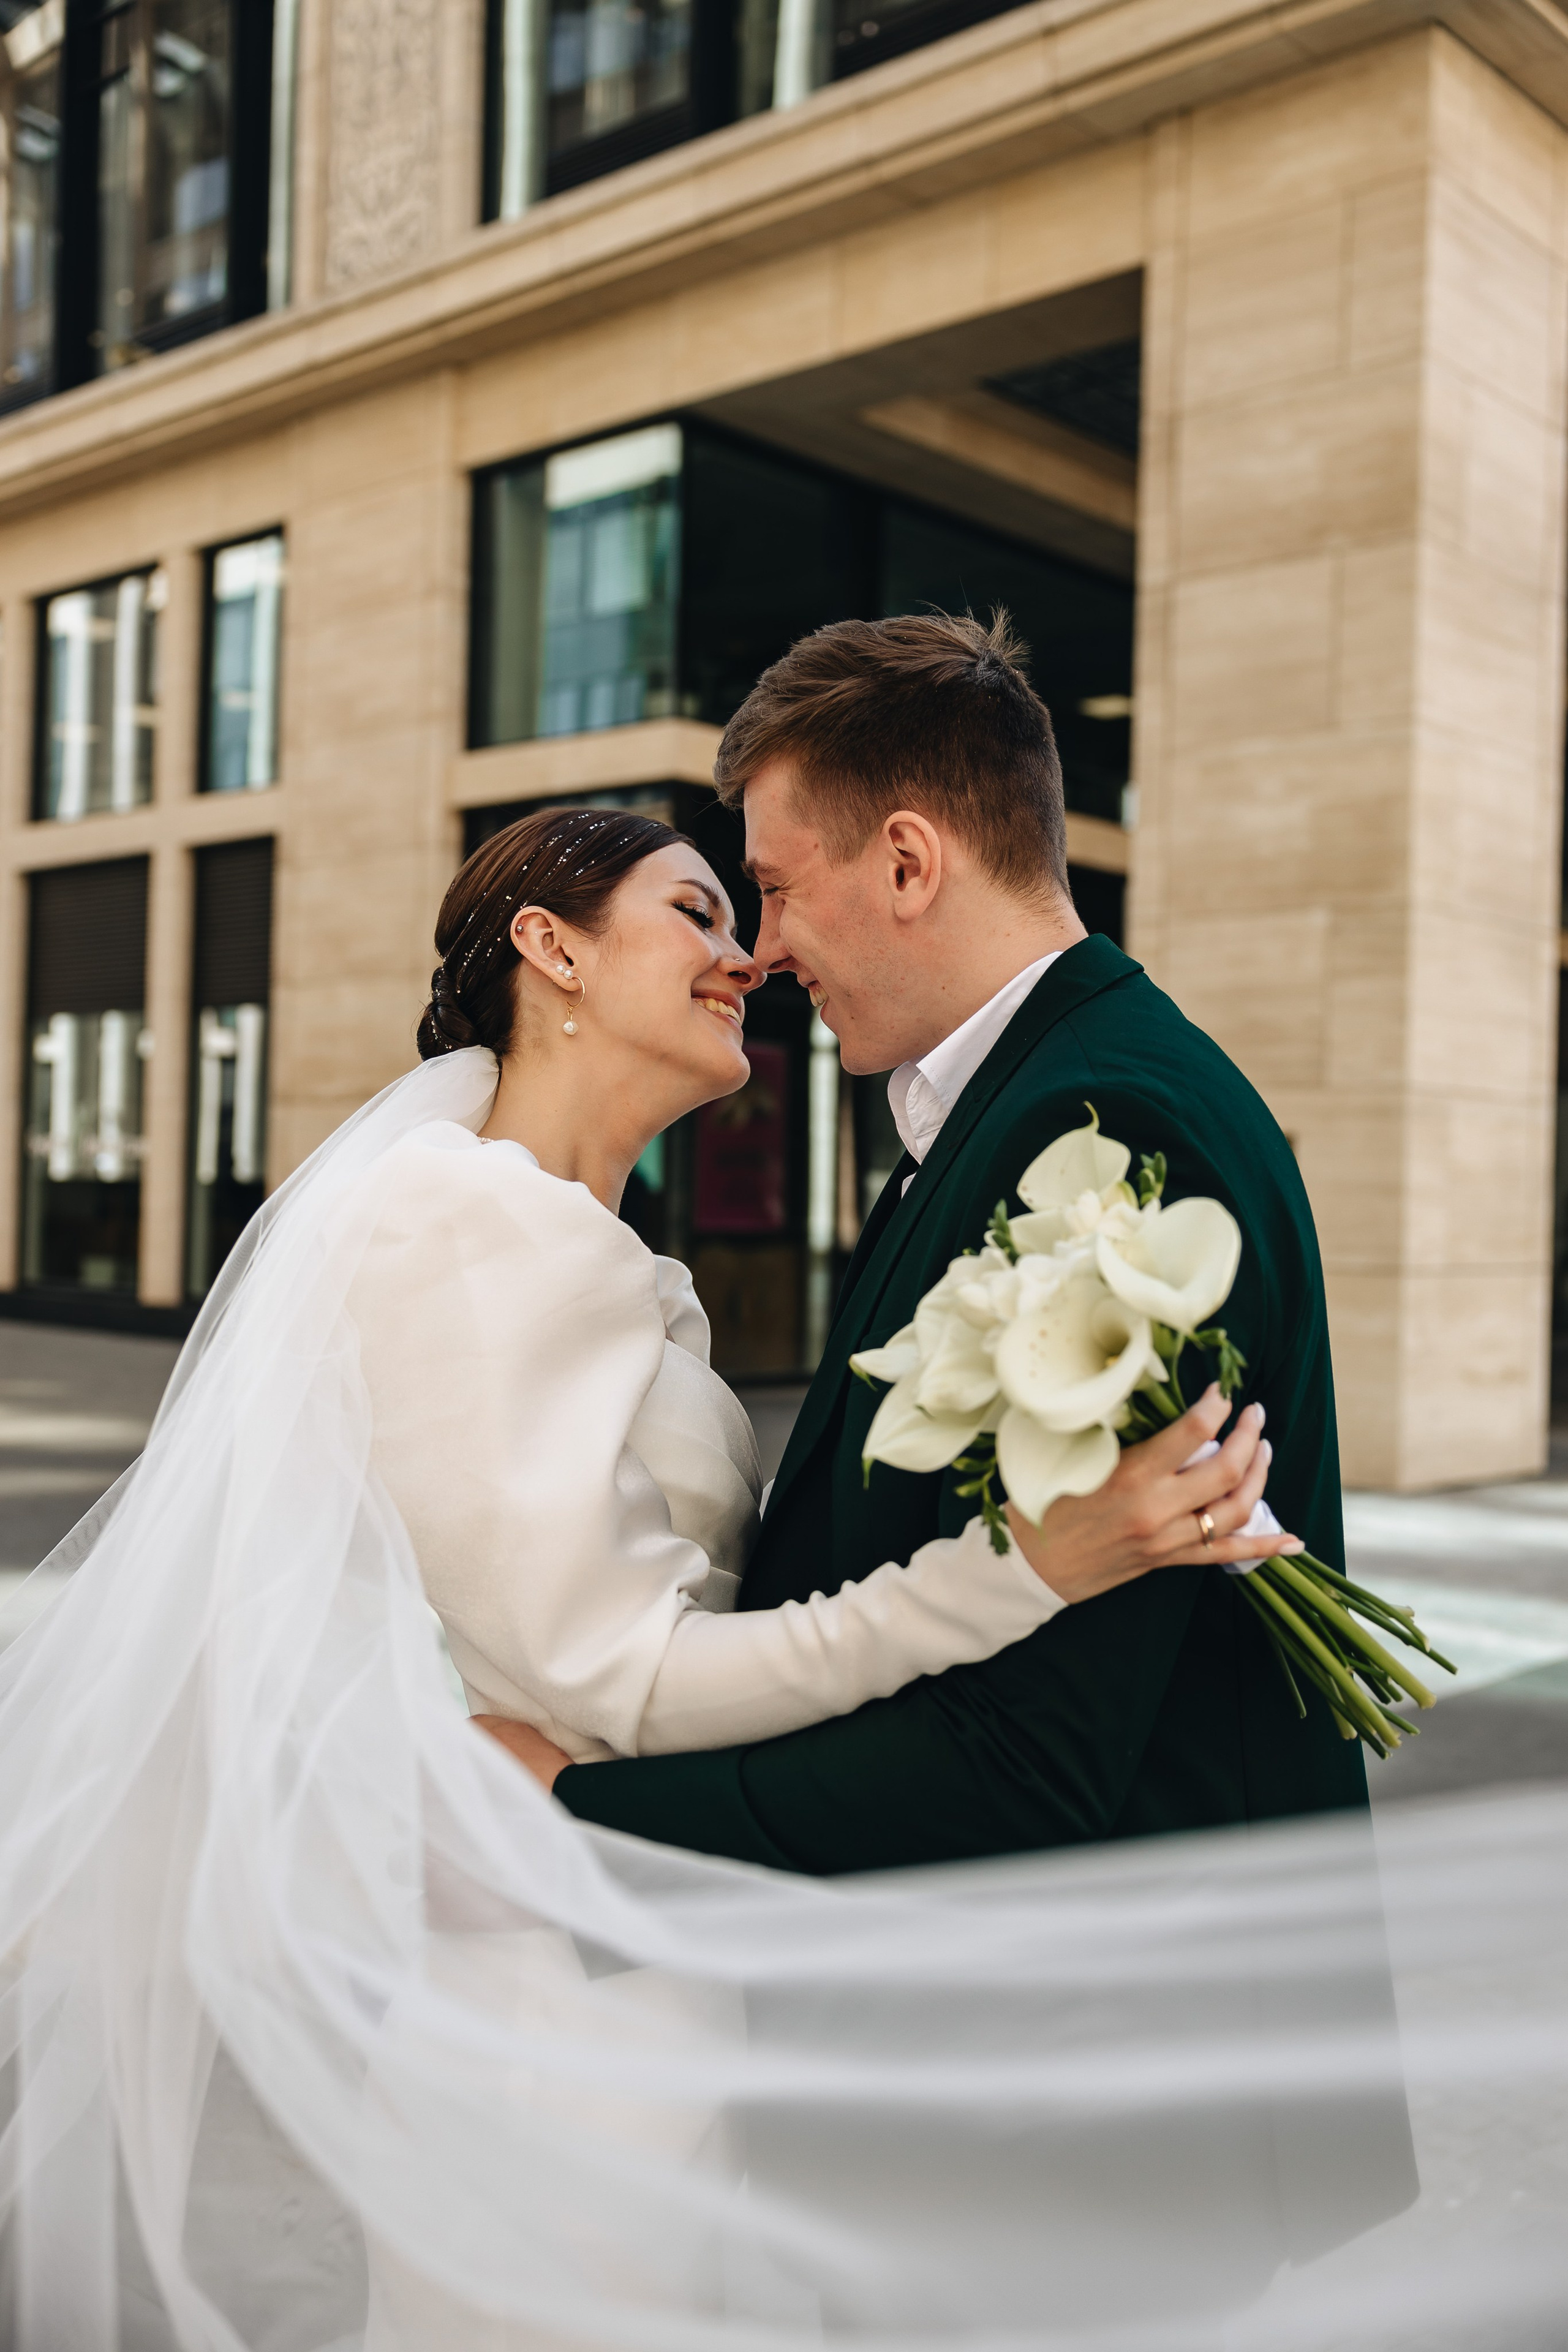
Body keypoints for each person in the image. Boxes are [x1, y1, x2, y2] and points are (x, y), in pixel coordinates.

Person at [497, 610, 1374, 1871]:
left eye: (778, 887)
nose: (766, 947)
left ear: (907, 863)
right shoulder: (1004, 1104)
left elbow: (1031, 1753)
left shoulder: (1109, 1130)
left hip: (1130, 2015)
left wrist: (573, 1813)